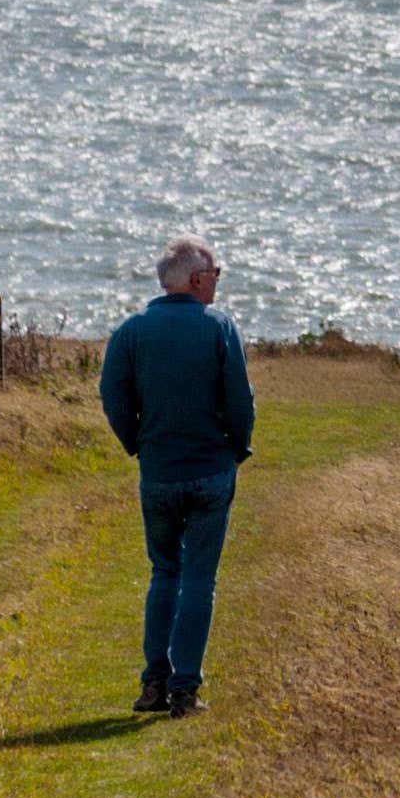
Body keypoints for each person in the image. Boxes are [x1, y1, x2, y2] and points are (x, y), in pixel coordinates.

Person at [99, 234, 255, 716]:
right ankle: (184, 689)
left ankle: (154, 682)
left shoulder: (132, 330)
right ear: (194, 279)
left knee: (164, 571)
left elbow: (113, 395)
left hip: (159, 471)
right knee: (199, 580)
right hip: (210, 470)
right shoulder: (218, 327)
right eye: (215, 275)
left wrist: (136, 443)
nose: (217, 283)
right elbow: (240, 399)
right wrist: (237, 448)